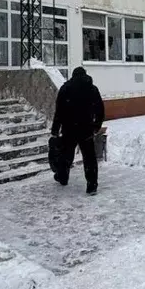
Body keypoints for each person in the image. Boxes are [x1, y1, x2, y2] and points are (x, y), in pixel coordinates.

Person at [50, 66, 105, 195]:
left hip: (69, 128)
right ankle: (92, 186)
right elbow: (100, 109)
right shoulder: (92, 88)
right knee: (89, 158)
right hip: (86, 129)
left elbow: (59, 111)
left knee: (66, 155)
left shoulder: (65, 88)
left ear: (73, 76)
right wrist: (96, 126)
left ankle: (62, 177)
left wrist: (55, 129)